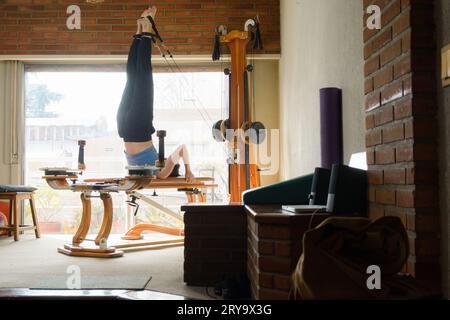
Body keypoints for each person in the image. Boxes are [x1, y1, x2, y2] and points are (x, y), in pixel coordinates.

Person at [116, 6, 195, 183]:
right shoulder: (155, 171)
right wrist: (187, 170)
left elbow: (182, 149)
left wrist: (189, 170)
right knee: (132, 77)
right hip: (125, 128)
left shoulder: (161, 174)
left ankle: (147, 28)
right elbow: (180, 150)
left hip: (139, 127)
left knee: (142, 76)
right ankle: (140, 28)